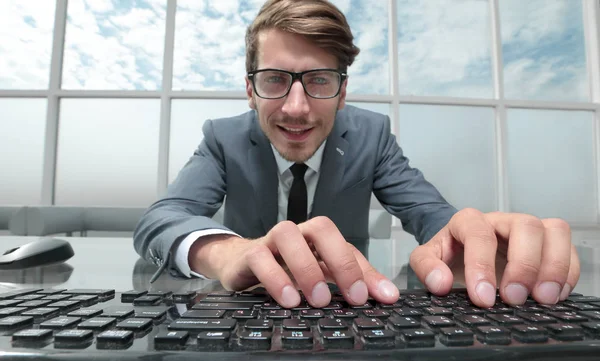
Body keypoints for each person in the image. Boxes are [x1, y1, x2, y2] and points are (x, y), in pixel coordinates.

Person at [134, 0, 579, 310]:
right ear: (250, 90)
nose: (295, 107)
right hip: (238, 314)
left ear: (343, 91)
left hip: (351, 310)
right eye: (273, 80)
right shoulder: (223, 137)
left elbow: (428, 212)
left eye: (320, 80)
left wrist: (470, 241)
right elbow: (163, 218)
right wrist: (227, 253)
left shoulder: (372, 134)